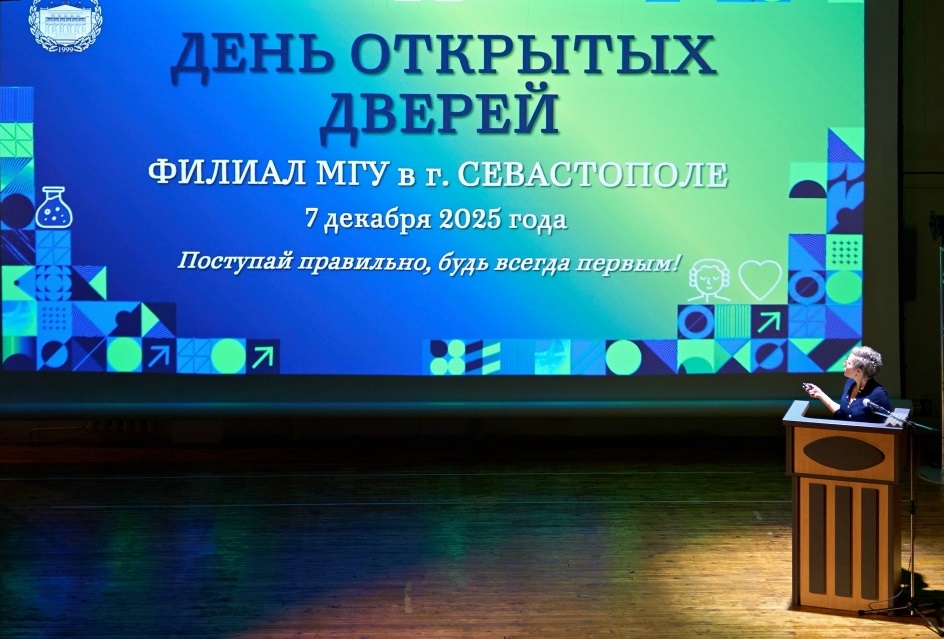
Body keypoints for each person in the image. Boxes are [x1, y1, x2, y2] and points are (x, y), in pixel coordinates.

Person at [802, 346, 892, 423]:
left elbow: (889, 425)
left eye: (848, 363)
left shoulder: (878, 394)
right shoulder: (850, 383)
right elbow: (844, 414)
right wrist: (819, 394)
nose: (844, 364)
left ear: (858, 371)